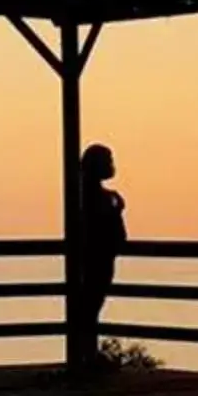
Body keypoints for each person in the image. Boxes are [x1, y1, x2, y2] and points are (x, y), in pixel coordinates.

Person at [72, 142, 127, 367]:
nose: (112, 165)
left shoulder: (98, 195)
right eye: (108, 160)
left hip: (102, 257)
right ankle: (86, 356)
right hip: (97, 258)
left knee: (91, 307)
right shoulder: (92, 196)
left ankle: (88, 354)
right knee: (90, 308)